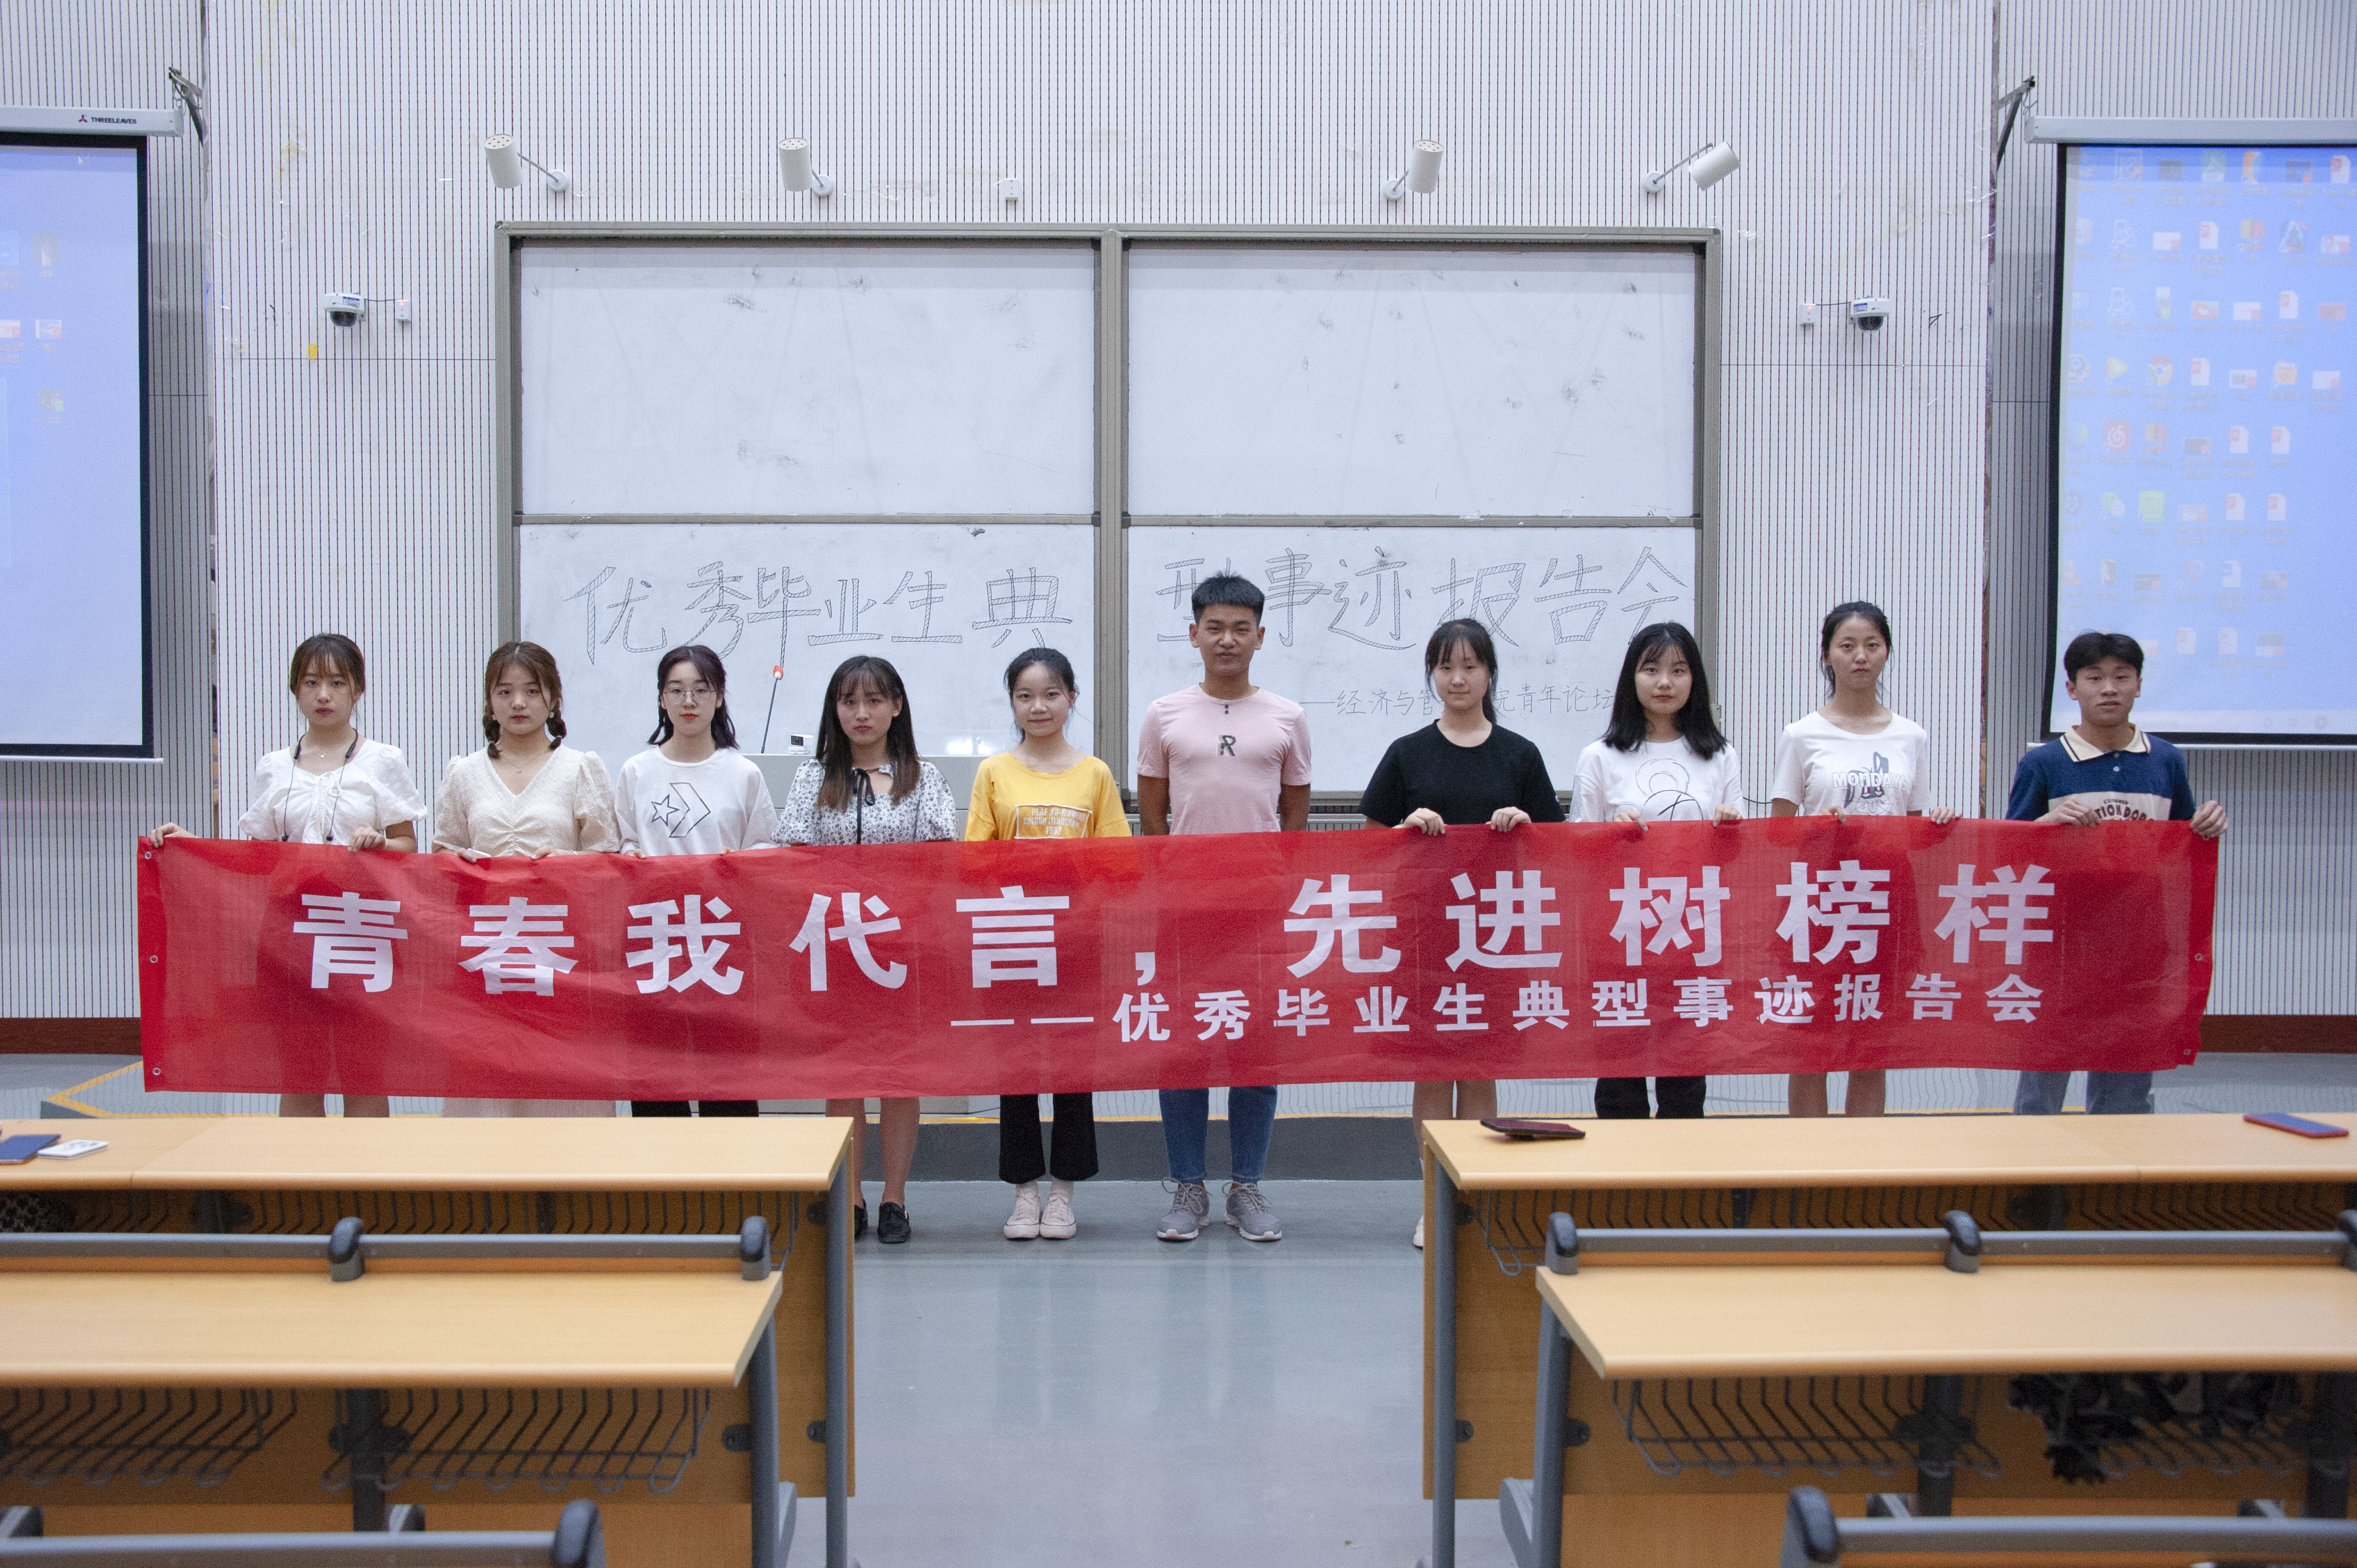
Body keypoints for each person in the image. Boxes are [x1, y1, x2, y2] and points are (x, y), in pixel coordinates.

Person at [148, 633, 423, 1119]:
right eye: (311, 682)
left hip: (362, 926)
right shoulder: (274, 765)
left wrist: (380, 844)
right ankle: (299, 1169)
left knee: (363, 1069)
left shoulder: (384, 759)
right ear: (295, 689)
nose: (323, 694)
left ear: (358, 690)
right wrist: (189, 844)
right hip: (290, 930)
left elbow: (408, 845)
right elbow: (258, 854)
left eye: (337, 682)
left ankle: (370, 1168)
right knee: (299, 1069)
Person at [1361, 618, 1566, 1248]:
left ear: (1490, 674)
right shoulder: (1407, 752)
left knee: (1479, 1066)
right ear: (1432, 674)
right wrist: (1406, 829)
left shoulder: (1520, 754)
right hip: (1425, 934)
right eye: (1446, 666)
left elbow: (1554, 846)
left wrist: (1523, 824)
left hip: (1495, 935)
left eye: (1470, 666)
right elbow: (1370, 844)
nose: (1458, 678)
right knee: (1432, 1068)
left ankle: (1475, 1198)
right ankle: (1435, 1201)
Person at [1135, 573, 1312, 1244]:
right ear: (1194, 634)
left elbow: (1294, 813)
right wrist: (1176, 880)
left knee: (1255, 1047)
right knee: (1184, 1047)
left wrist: (1271, 883)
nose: (1228, 639)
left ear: (1261, 636)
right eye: (1215, 627)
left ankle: (1246, 1187)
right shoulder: (1165, 714)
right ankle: (1188, 1187)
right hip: (1185, 908)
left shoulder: (1288, 716)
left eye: (1241, 628)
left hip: (1259, 911)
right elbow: (1154, 813)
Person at [775, 655, 959, 1245]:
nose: (861, 713)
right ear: (834, 709)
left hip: (902, 951)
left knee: (899, 1077)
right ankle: (850, 1196)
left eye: (875, 701)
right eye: (849, 701)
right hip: (834, 947)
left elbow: (939, 863)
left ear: (896, 707)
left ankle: (895, 1197)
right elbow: (793, 858)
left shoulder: (922, 777)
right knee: (844, 1075)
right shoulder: (813, 777)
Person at [2007, 630, 2228, 1115]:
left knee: (2126, 1080)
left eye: (2121, 676)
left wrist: (2206, 824)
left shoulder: (2166, 759)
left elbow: (2181, 839)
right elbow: (2009, 850)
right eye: (2094, 677)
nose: (2108, 688)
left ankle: (2118, 1163)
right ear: (2071, 688)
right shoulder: (2043, 762)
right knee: (2044, 1075)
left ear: (2139, 685)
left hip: (2138, 942)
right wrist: (2048, 822)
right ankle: (2030, 1162)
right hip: (2057, 943)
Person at [1769, 601, 1959, 1119]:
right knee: (1811, 1039)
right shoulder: (1801, 734)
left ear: (1886, 653)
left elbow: (1913, 830)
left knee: (1872, 1036)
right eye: (1847, 646)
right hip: (1820, 900)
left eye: (1871, 645)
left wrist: (1937, 824)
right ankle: (1810, 1155)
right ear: (1827, 655)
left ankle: (1864, 1154)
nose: (1860, 656)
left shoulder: (1911, 735)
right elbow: (1778, 832)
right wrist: (1816, 827)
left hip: (1886, 900)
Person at [966, 647, 1130, 1242]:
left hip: (1078, 944)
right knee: (1015, 1069)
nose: (1039, 706)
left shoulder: (1095, 774)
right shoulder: (993, 772)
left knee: (1071, 1068)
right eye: (1025, 696)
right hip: (1011, 940)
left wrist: (1077, 898)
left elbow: (1119, 864)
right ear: (1012, 703)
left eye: (1051, 694)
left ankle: (1063, 1193)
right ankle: (1023, 1192)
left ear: (1072, 699)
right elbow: (974, 862)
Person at [432, 640, 622, 1118]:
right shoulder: (464, 773)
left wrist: (569, 861)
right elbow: (440, 854)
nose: (518, 703)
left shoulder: (580, 768)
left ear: (553, 698)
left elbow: (609, 858)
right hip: (486, 952)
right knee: (490, 1081)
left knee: (560, 1081)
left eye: (532, 691)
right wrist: (459, 861)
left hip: (560, 952)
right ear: (489, 700)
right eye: (505, 691)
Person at [1572, 622, 1741, 1122]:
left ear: (1695, 680)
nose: (1664, 682)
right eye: (1651, 670)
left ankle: (1681, 1169)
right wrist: (1610, 834)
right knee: (1620, 1068)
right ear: (1632, 677)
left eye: (1678, 670)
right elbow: (1577, 848)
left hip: (1692, 930)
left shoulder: (1719, 755)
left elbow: (1736, 859)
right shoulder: (1599, 757)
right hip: (1621, 931)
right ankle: (1622, 1168)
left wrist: (1730, 830)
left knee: (1685, 1070)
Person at [615, 644, 778, 1123]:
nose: (689, 701)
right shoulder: (636, 771)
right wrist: (629, 858)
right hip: (653, 938)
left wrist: (740, 865)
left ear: (719, 696)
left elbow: (765, 848)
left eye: (701, 690)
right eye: (677, 690)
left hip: (721, 938)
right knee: (656, 1077)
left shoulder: (743, 773)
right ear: (661, 698)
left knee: (727, 1078)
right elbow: (621, 842)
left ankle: (733, 1172)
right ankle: (663, 1171)